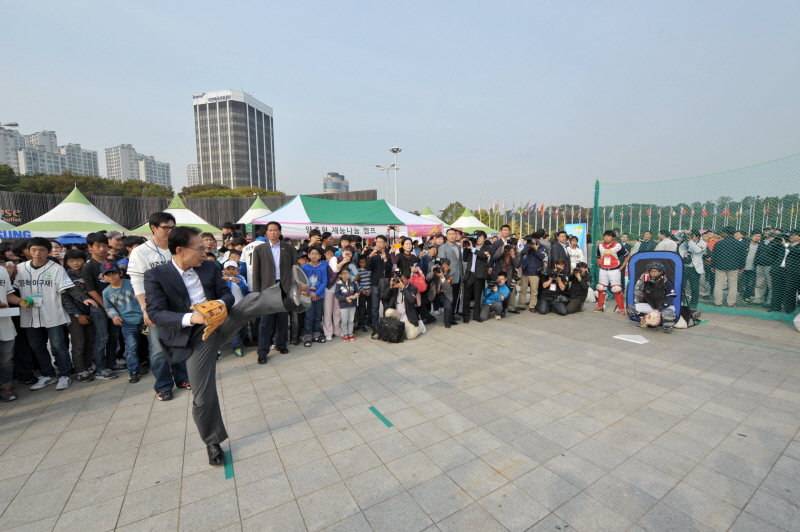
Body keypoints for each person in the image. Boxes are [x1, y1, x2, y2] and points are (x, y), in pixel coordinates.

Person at [15, 238, 99, 391]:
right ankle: (48, 374)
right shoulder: (20, 268)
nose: (37, 253)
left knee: (58, 347)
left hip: (52, 314)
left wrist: (84, 298)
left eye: (41, 250)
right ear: (28, 251)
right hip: (29, 315)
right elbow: (12, 290)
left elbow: (70, 288)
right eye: (34, 250)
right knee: (38, 347)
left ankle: (64, 375)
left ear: (48, 251)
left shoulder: (56, 269)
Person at [128, 212, 190, 401]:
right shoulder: (141, 252)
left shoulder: (178, 248)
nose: (170, 231)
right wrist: (145, 309)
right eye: (166, 227)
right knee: (158, 349)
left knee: (180, 344)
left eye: (173, 227)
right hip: (156, 308)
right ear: (153, 228)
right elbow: (137, 282)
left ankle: (183, 378)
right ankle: (163, 385)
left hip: (180, 306)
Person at [251, 221, 297, 363]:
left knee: (283, 319)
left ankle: (281, 344)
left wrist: (293, 288)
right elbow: (256, 272)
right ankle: (262, 352)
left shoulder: (288, 248)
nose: (273, 232)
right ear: (266, 233)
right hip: (267, 288)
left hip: (284, 287)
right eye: (270, 230)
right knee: (265, 322)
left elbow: (294, 269)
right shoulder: (259, 249)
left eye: (275, 230)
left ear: (280, 232)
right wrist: (257, 292)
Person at [82, 232, 121, 378]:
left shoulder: (111, 263)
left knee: (113, 336)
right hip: (99, 307)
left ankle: (111, 363)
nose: (102, 249)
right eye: (98, 246)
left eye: (105, 245)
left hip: (115, 305)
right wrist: (106, 307)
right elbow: (91, 290)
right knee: (102, 337)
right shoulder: (89, 266)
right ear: (90, 248)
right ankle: (100, 367)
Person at [102, 262, 147, 383]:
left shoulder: (132, 284)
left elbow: (145, 296)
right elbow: (108, 307)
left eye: (114, 273)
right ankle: (133, 371)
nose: (111, 277)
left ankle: (163, 366)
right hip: (127, 322)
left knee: (154, 345)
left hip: (144, 319)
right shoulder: (106, 292)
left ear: (120, 273)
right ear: (103, 277)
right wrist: (114, 316)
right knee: (131, 347)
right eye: (108, 275)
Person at [62, 249, 97, 383]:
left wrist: (91, 311)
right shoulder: (65, 276)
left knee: (90, 341)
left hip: (91, 312)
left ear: (84, 260)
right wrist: (78, 315)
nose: (75, 263)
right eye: (71, 261)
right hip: (74, 315)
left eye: (78, 260)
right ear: (66, 262)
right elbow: (65, 298)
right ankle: (80, 370)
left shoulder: (88, 272)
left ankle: (88, 366)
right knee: (78, 344)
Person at [627, 262, 678, 333]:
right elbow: (644, 299)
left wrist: (658, 310)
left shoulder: (667, 283)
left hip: (664, 307)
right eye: (651, 271)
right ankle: (646, 321)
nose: (653, 273)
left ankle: (668, 327)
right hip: (652, 307)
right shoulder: (647, 284)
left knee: (668, 312)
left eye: (656, 271)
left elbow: (670, 301)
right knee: (631, 308)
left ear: (661, 272)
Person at [593, 230, 630, 313]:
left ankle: (620, 308)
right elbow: (598, 256)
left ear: (613, 237)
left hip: (615, 269)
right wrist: (600, 262)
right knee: (600, 287)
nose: (606, 237)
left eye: (609, 236)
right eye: (605, 236)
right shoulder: (601, 246)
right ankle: (600, 306)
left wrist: (623, 266)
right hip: (603, 269)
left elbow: (628, 255)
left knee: (616, 288)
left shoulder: (618, 246)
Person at [382, 272, 426, 339]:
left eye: (402, 280)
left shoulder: (413, 288)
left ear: (408, 280)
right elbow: (384, 297)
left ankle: (420, 326)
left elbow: (411, 300)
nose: (400, 281)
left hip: (407, 317)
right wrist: (390, 286)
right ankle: (401, 326)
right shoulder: (395, 287)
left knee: (410, 336)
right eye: (400, 279)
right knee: (388, 312)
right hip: (397, 315)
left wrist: (402, 288)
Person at [711, 226, 746, 307]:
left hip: (720, 266)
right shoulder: (739, 243)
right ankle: (731, 303)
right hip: (733, 266)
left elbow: (714, 255)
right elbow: (743, 256)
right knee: (733, 285)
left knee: (718, 285)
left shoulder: (719, 243)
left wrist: (713, 265)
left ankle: (718, 302)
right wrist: (741, 266)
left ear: (724, 233)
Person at [0, 262, 20, 401]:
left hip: (4, 322)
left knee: (6, 359)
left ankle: (7, 386)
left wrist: (22, 301)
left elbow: (8, 294)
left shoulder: (2, 270)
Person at [462, 231, 492, 322]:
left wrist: (473, 249)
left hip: (479, 276)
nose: (478, 238)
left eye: (480, 236)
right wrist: (466, 248)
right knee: (466, 296)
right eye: (477, 236)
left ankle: (476, 315)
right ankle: (466, 316)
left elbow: (484, 256)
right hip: (469, 274)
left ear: (485, 238)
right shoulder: (471, 246)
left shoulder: (488, 248)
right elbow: (465, 259)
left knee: (477, 296)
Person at [222, 260, 250, 356]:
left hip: (242, 306)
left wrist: (239, 283)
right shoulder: (221, 280)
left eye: (233, 269)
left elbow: (246, 289)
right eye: (228, 269)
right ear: (224, 270)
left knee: (243, 327)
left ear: (237, 269)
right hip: (230, 307)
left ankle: (240, 343)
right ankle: (237, 347)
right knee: (234, 329)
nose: (231, 271)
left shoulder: (241, 278)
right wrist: (224, 281)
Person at [366, 236, 393, 334]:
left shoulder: (389, 254)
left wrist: (385, 259)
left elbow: (389, 269)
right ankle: (375, 326)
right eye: (378, 242)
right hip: (375, 283)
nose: (379, 244)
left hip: (386, 283)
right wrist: (370, 257)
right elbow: (368, 268)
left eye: (382, 242)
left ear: (385, 243)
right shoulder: (372, 255)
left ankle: (386, 324)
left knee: (386, 305)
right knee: (375, 306)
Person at [301, 246, 327, 346]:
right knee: (309, 316)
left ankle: (316, 334)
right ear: (308, 255)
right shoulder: (304, 268)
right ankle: (307, 335)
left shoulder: (323, 267)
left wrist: (316, 293)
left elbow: (324, 282)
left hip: (319, 296)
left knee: (317, 316)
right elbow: (301, 282)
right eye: (312, 253)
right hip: (308, 296)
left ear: (320, 256)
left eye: (317, 254)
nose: (314, 256)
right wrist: (309, 293)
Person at [769, 230, 800, 313]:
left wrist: (786, 245)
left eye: (794, 235)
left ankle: (789, 310)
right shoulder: (782, 245)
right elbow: (771, 253)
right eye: (791, 235)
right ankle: (775, 308)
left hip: (792, 272)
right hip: (779, 270)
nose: (791, 236)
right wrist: (774, 240)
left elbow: (797, 252)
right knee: (776, 290)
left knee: (789, 291)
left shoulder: (794, 245)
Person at [438, 229, 464, 319]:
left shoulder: (458, 246)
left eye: (454, 234)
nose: (452, 236)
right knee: (449, 298)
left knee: (456, 296)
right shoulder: (443, 247)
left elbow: (459, 261)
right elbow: (442, 264)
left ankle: (452, 315)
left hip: (458, 275)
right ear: (447, 236)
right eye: (450, 234)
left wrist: (462, 274)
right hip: (449, 277)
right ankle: (448, 317)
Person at [517, 233, 547, 313]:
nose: (533, 241)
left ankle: (532, 305)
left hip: (535, 271)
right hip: (526, 270)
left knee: (534, 291)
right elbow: (522, 253)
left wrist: (535, 248)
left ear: (538, 239)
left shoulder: (542, 247)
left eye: (535, 239)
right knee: (523, 289)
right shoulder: (527, 245)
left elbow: (542, 257)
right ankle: (521, 305)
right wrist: (528, 246)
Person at [678, 229, 706, 308]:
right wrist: (684, 232)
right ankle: (681, 302)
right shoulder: (685, 241)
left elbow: (698, 250)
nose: (690, 237)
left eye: (692, 236)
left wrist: (690, 242)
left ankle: (693, 304)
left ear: (697, 236)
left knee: (694, 287)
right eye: (690, 236)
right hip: (684, 268)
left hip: (694, 269)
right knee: (681, 287)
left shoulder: (703, 243)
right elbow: (676, 235)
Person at [425, 257, 456, 328]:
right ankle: (428, 318)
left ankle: (447, 323)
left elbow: (448, 286)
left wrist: (442, 277)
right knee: (423, 303)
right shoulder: (436, 269)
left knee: (448, 307)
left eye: (445, 267)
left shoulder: (451, 273)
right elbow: (427, 278)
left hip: (445, 292)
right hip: (434, 291)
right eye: (442, 266)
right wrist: (432, 272)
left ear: (449, 267)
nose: (443, 268)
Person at [334, 267, 359, 341]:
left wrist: (354, 297)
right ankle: (345, 334)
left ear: (349, 274)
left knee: (351, 320)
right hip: (343, 305)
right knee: (344, 320)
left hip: (352, 304)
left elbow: (357, 292)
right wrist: (345, 299)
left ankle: (350, 333)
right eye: (343, 273)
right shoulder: (339, 284)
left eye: (347, 273)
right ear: (340, 275)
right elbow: (337, 295)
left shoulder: (353, 282)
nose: (345, 275)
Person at [741, 231, 761, 303]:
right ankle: (731, 295)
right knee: (737, 281)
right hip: (742, 266)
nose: (757, 237)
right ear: (751, 236)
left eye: (759, 236)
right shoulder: (745, 244)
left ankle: (747, 297)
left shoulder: (761, 246)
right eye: (755, 235)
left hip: (753, 267)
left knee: (750, 283)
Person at [355, 255, 371, 332]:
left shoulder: (370, 271)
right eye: (361, 262)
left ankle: (369, 322)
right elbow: (357, 282)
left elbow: (372, 281)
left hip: (369, 292)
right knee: (362, 308)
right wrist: (362, 290)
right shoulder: (358, 271)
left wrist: (370, 290)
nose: (363, 264)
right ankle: (362, 322)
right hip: (362, 292)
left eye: (364, 262)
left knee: (370, 308)